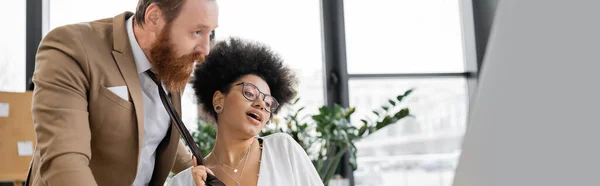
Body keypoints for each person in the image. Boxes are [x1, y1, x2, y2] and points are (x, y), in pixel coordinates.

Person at [27, 0, 218, 185]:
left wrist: (205, 175)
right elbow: (65, 161)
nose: (206, 50)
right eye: (196, 32)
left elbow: (154, 130)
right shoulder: (72, 48)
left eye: (209, 34)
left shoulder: (172, 61)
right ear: (154, 18)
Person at [167, 37, 324, 186]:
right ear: (218, 100)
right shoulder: (184, 182)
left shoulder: (283, 150)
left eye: (268, 103)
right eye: (249, 93)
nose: (261, 105)